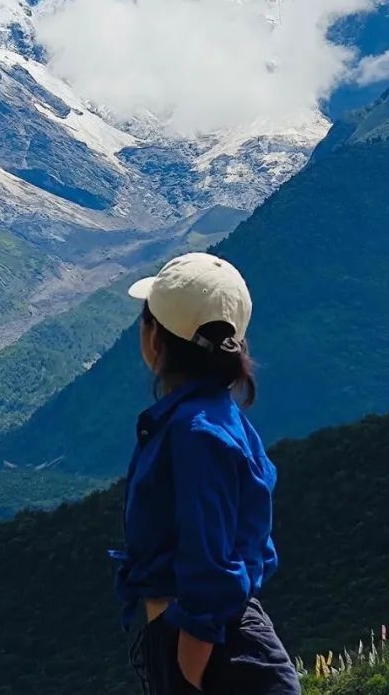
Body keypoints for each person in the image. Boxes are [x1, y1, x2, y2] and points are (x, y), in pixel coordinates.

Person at [111, 252, 300, 695]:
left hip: (210, 650)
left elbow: (210, 563)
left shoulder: (195, 433)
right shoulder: (216, 419)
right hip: (219, 642)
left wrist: (187, 669)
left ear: (155, 339)